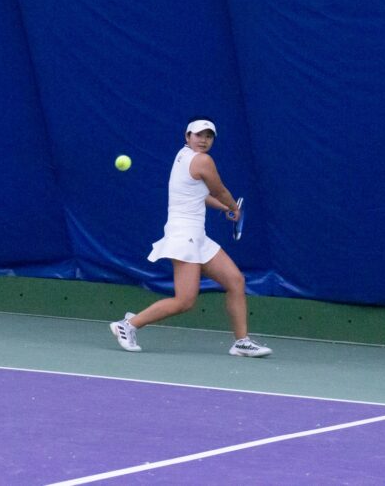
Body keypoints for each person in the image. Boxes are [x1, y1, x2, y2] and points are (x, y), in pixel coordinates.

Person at [109, 118, 272, 357]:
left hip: (197, 237)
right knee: (185, 301)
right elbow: (220, 191)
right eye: (198, 135)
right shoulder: (202, 160)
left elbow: (202, 195)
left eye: (209, 136)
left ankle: (241, 342)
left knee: (235, 281)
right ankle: (128, 326)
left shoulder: (182, 156)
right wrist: (232, 207)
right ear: (188, 137)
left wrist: (223, 208)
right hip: (184, 236)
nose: (203, 140)